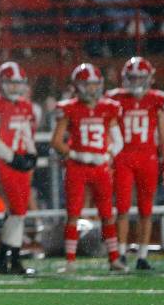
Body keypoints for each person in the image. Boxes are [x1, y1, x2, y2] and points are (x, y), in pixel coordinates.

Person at [50, 63, 126, 273]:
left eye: (94, 85)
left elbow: (118, 140)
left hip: (100, 167)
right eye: (88, 85)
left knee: (107, 213)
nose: (92, 89)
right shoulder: (69, 108)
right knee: (73, 213)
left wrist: (107, 154)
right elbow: (56, 141)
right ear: (78, 86)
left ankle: (113, 259)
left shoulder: (107, 108)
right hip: (77, 166)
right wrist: (76, 154)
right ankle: (71, 261)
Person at [106, 57, 164, 270]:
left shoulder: (157, 100)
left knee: (146, 209)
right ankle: (122, 252)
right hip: (123, 157)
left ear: (149, 79)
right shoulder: (115, 99)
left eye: (140, 78)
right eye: (132, 78)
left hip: (147, 157)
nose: (136, 82)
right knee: (123, 207)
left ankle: (143, 255)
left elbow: (163, 136)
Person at [0, 61, 38, 276]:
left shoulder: (25, 105)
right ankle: (9, 258)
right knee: (18, 210)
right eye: (9, 83)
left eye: (17, 83)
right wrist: (14, 158)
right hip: (4, 163)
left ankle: (8, 258)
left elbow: (26, 133)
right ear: (0, 83)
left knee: (18, 212)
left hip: (19, 160)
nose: (14, 87)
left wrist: (31, 153)